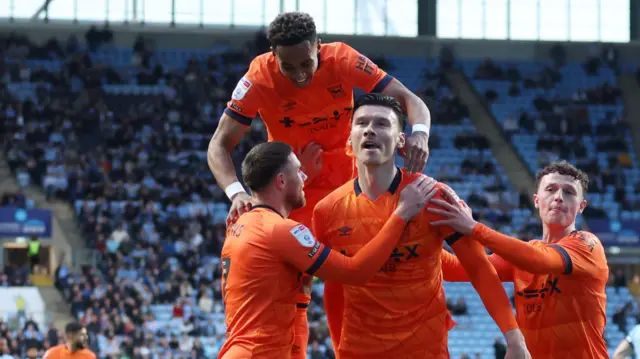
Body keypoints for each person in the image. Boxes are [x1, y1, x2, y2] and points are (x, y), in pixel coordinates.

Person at [312, 94, 529, 358]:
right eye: (362, 123)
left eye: (382, 124)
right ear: (349, 140)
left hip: (426, 350)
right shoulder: (327, 211)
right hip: (360, 350)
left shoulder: (434, 195)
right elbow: (334, 288)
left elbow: (478, 267)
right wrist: (338, 349)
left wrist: (514, 338)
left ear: (401, 140)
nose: (370, 129)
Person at [208, 11, 431, 229]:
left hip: (352, 182)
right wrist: (236, 193)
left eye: (306, 63)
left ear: (318, 46)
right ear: (273, 55)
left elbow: (408, 99)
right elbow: (218, 144)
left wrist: (420, 133)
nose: (299, 74)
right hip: (294, 188)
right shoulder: (258, 80)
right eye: (288, 67)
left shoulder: (343, 60)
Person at [218, 141, 438, 359]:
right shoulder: (281, 232)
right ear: (282, 181)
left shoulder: (239, 225)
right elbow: (355, 272)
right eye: (299, 172)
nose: (305, 179)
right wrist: (402, 213)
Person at [430, 161, 609, 358]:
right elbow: (458, 269)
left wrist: (474, 228)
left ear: (581, 206)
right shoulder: (525, 253)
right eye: (550, 189)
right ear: (536, 200)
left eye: (569, 192)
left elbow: (540, 261)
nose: (558, 197)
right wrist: (418, 243)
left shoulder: (587, 244)